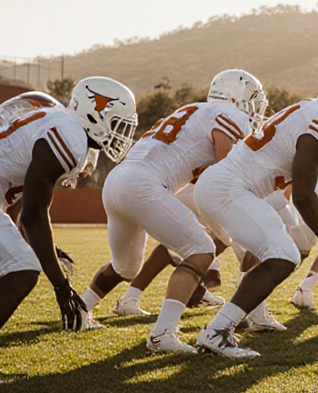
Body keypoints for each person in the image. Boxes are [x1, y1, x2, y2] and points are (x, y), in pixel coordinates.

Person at [0, 76, 137, 387]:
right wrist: (60, 286)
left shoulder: (60, 124)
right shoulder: (70, 136)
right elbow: (33, 216)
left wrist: (51, 258)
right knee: (22, 267)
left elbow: (33, 212)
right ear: (96, 113)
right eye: (117, 122)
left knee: (18, 264)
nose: (121, 132)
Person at [190, 66, 318, 358]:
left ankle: (251, 316)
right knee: (284, 255)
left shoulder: (309, 109)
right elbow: (304, 196)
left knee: (272, 250)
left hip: (225, 185)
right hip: (230, 189)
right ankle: (217, 330)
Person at [80, 70, 264, 353]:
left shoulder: (192, 110)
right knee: (201, 248)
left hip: (118, 180)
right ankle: (163, 333)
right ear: (237, 98)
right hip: (146, 183)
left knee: (126, 266)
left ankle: (80, 310)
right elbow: (226, 164)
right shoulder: (230, 115)